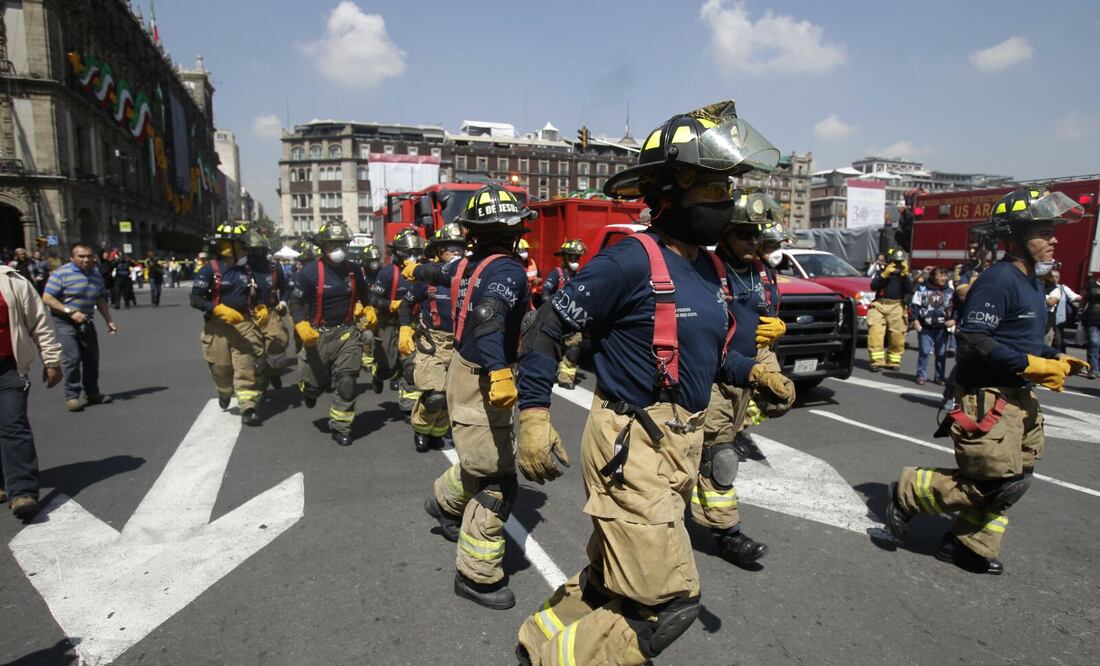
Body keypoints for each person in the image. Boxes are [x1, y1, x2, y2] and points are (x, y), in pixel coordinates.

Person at [512, 101, 791, 664]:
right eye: (714, 188)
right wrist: (535, 418)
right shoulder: (629, 262)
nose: (726, 202)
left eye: (729, 188)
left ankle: (537, 642)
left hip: (680, 443)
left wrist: (755, 372)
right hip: (632, 443)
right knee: (666, 605)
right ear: (670, 191)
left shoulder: (709, 269)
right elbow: (545, 329)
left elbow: (711, 358)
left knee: (612, 578)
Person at [885, 189, 1090, 575]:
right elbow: (973, 340)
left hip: (1019, 394)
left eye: (1053, 231)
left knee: (1017, 478)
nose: (1054, 239)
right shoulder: (999, 280)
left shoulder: (1033, 281)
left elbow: (1021, 340)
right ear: (1015, 236)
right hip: (988, 396)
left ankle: (967, 545)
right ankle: (908, 492)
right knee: (994, 481)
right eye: (1044, 232)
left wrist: (1054, 358)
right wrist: (1031, 364)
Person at [404, 184, 535, 609]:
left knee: (480, 458)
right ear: (514, 232)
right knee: (498, 481)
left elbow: (436, 274)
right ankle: (476, 575)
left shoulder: (467, 265)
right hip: (483, 377)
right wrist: (499, 370)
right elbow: (489, 317)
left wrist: (416, 270)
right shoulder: (509, 271)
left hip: (463, 369)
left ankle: (445, 505)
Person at [691, 194, 794, 570]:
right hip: (715, 372)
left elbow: (762, 322)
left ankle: (684, 500)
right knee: (720, 456)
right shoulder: (705, 269)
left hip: (752, 364)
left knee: (710, 450)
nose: (753, 241)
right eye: (744, 234)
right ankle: (727, 533)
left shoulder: (762, 271)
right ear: (724, 234)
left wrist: (776, 338)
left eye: (757, 234)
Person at [289, 221, 372, 446]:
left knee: (347, 381)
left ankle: (341, 426)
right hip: (317, 335)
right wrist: (300, 324)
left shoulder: (354, 270)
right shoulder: (308, 273)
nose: (338, 250)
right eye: (333, 245)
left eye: (342, 244)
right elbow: (295, 302)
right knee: (315, 386)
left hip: (346, 332)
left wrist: (369, 308)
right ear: (323, 247)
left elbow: (365, 295)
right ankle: (310, 390)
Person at [0, 260, 62, 520]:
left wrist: (52, 360)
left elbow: (39, 321)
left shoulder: (12, 281)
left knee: (13, 425)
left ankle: (22, 492)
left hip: (8, 367)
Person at [190, 223, 265, 427]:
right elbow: (195, 298)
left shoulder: (248, 269)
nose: (246, 251)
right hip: (218, 326)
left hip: (244, 324)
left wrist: (260, 303)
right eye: (242, 246)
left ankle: (248, 407)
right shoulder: (210, 269)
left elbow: (259, 291)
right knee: (222, 369)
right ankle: (224, 392)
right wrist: (217, 309)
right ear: (228, 247)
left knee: (246, 366)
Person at [399, 223, 465, 452]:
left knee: (450, 396)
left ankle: (437, 431)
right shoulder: (427, 278)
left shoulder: (468, 278)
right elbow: (405, 305)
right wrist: (405, 329)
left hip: (459, 343)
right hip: (431, 343)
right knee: (435, 395)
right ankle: (421, 428)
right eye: (450, 247)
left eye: (460, 247)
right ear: (438, 250)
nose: (456, 252)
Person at [40, 243, 117, 411]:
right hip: (65, 321)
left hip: (86, 321)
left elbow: (100, 298)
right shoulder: (61, 273)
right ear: (72, 257)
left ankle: (92, 393)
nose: (86, 260)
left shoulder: (95, 274)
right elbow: (47, 297)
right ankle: (72, 396)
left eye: (89, 256)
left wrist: (109, 320)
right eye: (81, 256)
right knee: (72, 359)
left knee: (91, 359)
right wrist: (70, 312)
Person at [369, 229, 424, 412]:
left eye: (416, 252)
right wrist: (390, 305)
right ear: (398, 253)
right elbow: (373, 298)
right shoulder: (387, 274)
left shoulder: (424, 272)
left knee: (410, 365)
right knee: (389, 366)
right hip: (389, 324)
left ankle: (408, 406)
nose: (413, 257)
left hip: (412, 324)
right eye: (409, 253)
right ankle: (379, 374)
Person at [243, 229, 290, 395]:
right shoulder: (240, 268)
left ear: (265, 251)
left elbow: (285, 288)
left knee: (277, 352)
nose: (254, 255)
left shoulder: (274, 267)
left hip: (270, 313)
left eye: (258, 250)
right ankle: (260, 384)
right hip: (248, 314)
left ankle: (274, 372)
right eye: (250, 250)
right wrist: (247, 290)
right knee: (254, 356)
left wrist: (283, 302)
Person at [541, 239, 587, 389]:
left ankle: (566, 378)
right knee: (550, 349)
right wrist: (552, 306)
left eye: (578, 257)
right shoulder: (557, 274)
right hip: (556, 319)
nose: (576, 260)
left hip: (573, 320)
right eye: (573, 257)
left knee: (574, 350)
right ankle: (544, 375)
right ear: (565, 257)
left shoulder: (580, 276)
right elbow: (545, 292)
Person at [867, 247, 914, 371]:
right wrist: (885, 275)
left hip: (897, 306)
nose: (897, 265)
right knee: (875, 334)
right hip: (879, 305)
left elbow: (910, 291)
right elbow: (873, 286)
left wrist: (905, 276)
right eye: (894, 262)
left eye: (899, 262)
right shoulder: (882, 272)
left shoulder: (904, 275)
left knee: (897, 336)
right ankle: (876, 361)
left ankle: (893, 361)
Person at [911, 266, 955, 385]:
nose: (943, 278)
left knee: (941, 353)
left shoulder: (950, 291)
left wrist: (954, 319)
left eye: (945, 275)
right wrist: (915, 320)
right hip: (925, 326)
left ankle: (939, 377)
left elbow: (956, 307)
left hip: (942, 327)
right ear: (932, 276)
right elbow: (914, 305)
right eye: (940, 275)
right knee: (924, 351)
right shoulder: (922, 288)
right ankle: (921, 375)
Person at [358, 244, 383, 378]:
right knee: (368, 335)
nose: (374, 264)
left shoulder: (383, 273)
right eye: (371, 261)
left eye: (376, 260)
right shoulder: (359, 274)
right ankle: (367, 357)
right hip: (363, 311)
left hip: (380, 310)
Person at [1043, 269, 1080, 353]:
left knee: (1058, 341)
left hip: (1059, 320)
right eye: (1052, 277)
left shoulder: (1061, 288)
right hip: (1047, 319)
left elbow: (1075, 297)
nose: (1054, 279)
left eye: (1056, 277)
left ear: (1059, 278)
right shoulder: (1042, 287)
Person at [1081, 271, 1100, 379]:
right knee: (1094, 343)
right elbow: (1084, 299)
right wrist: (1080, 312)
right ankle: (1093, 369)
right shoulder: (1091, 285)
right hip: (1092, 319)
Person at [517, 238, 541, 304]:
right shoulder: (513, 265)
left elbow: (540, 277)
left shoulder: (532, 262)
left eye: (526, 250)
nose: (525, 252)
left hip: (533, 296)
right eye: (522, 250)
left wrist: (537, 280)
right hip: (520, 297)